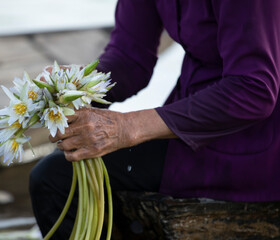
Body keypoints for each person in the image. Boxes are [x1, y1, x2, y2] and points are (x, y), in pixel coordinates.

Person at [29, 0, 280, 238]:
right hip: (189, 120)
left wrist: (128, 127)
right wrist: (78, 86)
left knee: (55, 178)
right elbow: (129, 58)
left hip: (257, 145)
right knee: (66, 162)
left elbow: (253, 89)